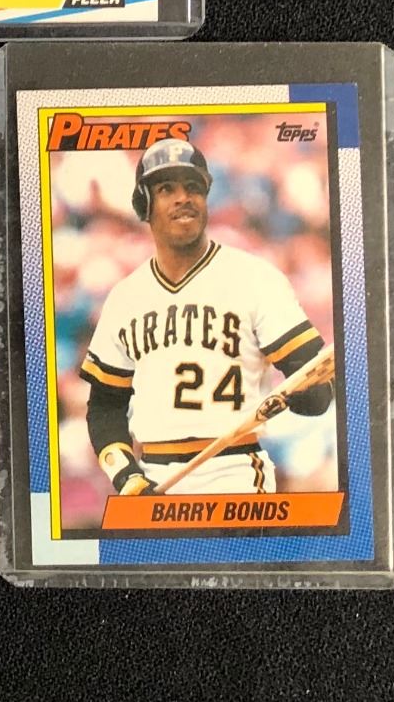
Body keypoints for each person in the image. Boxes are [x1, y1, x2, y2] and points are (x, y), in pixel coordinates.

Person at [80, 139, 334, 500]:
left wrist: (310, 393)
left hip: (236, 474)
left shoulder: (256, 278)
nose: (183, 198)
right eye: (166, 189)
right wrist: (127, 477)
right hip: (155, 478)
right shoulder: (125, 298)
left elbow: (316, 385)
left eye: (193, 187)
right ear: (143, 204)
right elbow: (105, 406)